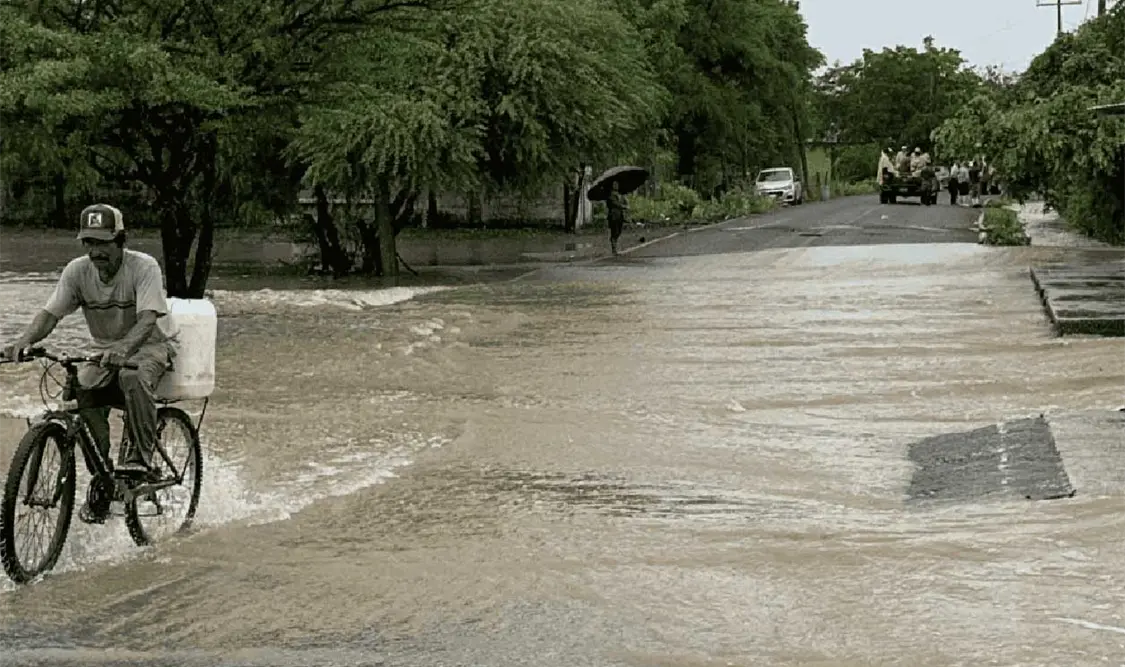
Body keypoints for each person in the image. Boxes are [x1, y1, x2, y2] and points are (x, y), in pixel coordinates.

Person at [1, 204, 177, 524]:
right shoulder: (77, 271)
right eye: (89, 243)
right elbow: (50, 315)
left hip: (150, 345)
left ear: (120, 240)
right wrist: (23, 341)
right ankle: (103, 475)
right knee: (80, 388)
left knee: (132, 377)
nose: (96, 252)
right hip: (102, 350)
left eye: (103, 243)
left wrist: (124, 348)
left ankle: (141, 459)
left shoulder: (143, 267)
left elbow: (148, 318)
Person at [606, 181, 629, 256]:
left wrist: (625, 200)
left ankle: (614, 244)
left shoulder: (620, 195)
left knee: (619, 231)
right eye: (614, 185)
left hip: (620, 216)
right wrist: (624, 206)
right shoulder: (610, 195)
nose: (616, 186)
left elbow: (624, 203)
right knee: (614, 232)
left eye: (617, 184)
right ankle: (614, 249)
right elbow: (615, 204)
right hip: (613, 216)